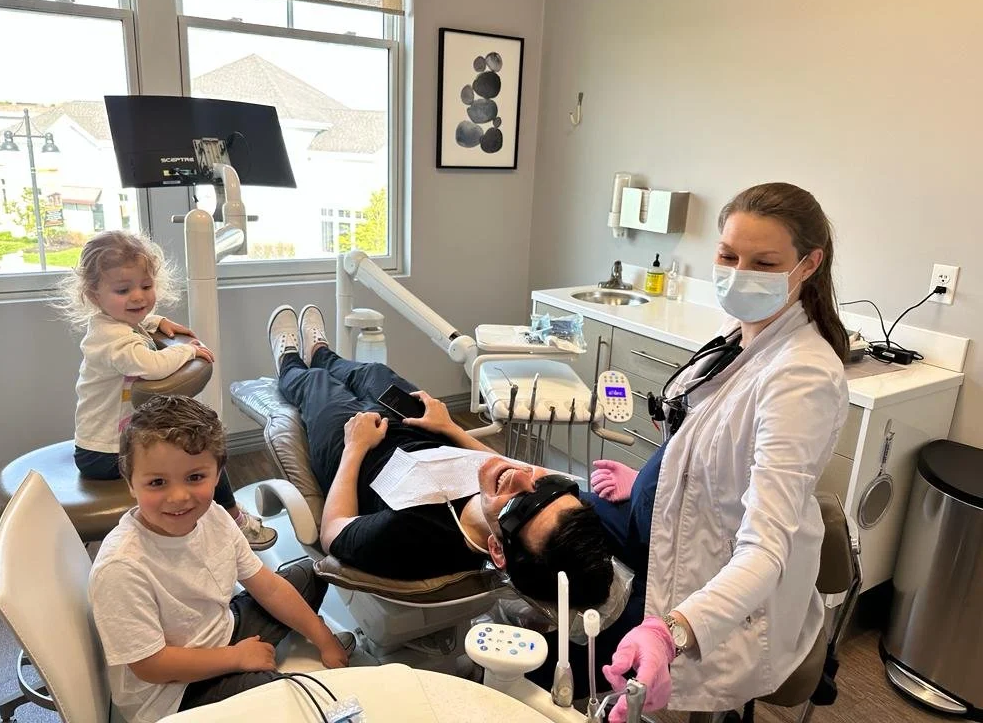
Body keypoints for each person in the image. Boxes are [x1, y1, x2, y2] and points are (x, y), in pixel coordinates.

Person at [582, 182, 850, 719]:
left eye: (764, 262)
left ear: (808, 264)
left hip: (729, 596)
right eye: (728, 255)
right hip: (680, 528)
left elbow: (764, 552)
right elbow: (711, 442)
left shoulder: (802, 377)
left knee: (611, 661)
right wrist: (650, 481)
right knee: (562, 505)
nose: (738, 273)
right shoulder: (743, 333)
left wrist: (671, 630)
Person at [266, 303, 614, 609]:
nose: (521, 477)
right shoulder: (509, 484)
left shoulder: (411, 538)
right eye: (548, 487)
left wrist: (355, 447)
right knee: (373, 374)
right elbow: (505, 470)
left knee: (317, 385)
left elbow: (333, 533)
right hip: (424, 433)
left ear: (497, 550)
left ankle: (291, 362)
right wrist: (449, 427)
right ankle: (323, 352)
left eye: (520, 506)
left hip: (355, 455)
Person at [88, 395, 352, 723]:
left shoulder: (214, 514)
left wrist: (322, 637)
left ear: (217, 475)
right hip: (174, 692)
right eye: (157, 482)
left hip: (222, 630)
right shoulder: (122, 566)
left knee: (311, 574)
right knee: (283, 695)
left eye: (195, 477)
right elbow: (150, 665)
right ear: (130, 483)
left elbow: (267, 587)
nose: (178, 497)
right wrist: (236, 659)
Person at [58, 230, 275, 550]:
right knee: (201, 452)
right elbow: (150, 364)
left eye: (146, 286)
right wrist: (188, 351)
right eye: (123, 289)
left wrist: (158, 323)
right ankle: (232, 521)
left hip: (107, 444)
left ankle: (219, 520)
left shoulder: (114, 324)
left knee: (198, 446)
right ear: (94, 295)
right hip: (103, 453)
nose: (138, 297)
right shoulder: (112, 341)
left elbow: (135, 326)